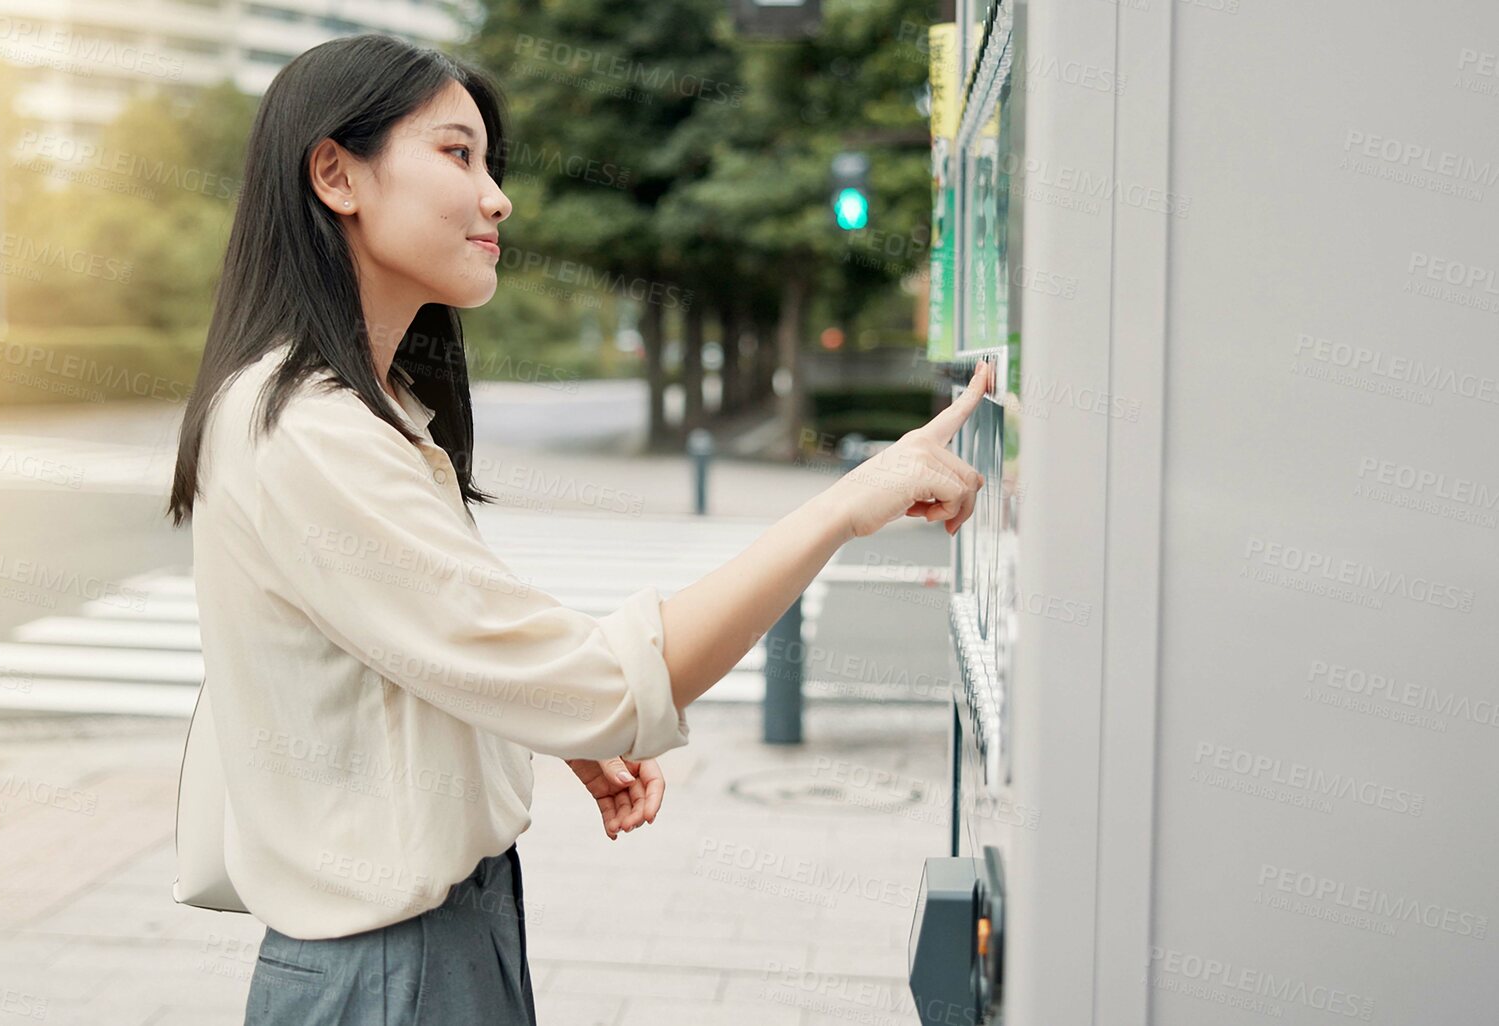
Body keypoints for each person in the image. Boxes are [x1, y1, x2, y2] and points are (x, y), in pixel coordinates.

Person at [164, 32, 992, 1026]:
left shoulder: (365, 413)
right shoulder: (308, 432)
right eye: (457, 154)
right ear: (337, 173)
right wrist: (843, 508)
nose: (496, 197)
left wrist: (528, 717)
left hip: (431, 944)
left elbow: (425, 641)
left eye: (489, 162)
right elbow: (604, 685)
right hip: (385, 974)